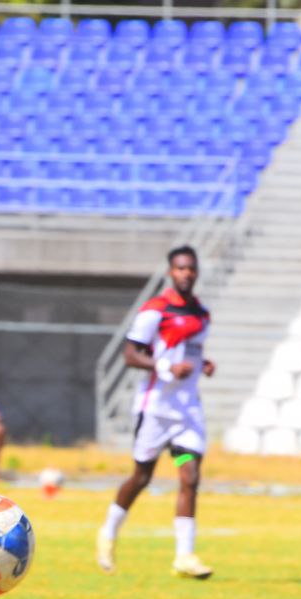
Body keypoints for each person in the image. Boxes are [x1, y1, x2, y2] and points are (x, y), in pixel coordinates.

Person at [96, 245, 215, 580]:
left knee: (189, 475)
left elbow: (190, 351)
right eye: (180, 268)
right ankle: (108, 532)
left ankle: (184, 557)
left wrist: (203, 364)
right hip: (156, 410)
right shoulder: (155, 312)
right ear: (170, 272)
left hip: (186, 412)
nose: (186, 273)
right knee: (142, 477)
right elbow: (131, 355)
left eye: (191, 268)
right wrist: (165, 367)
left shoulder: (202, 314)